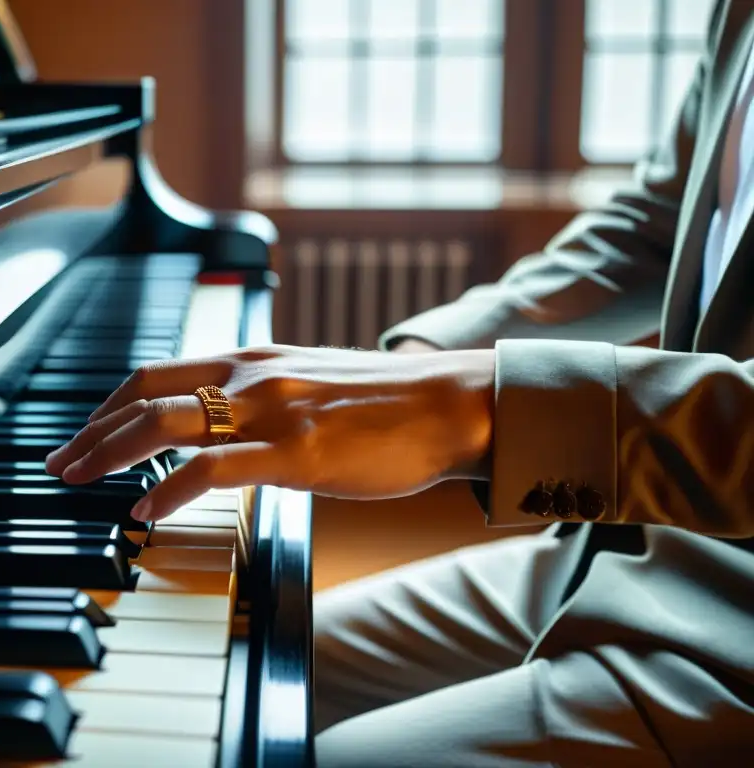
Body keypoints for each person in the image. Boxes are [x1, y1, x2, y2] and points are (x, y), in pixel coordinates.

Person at [44, 2, 754, 765]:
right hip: (616, 551)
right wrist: (413, 362)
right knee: (248, 652)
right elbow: (655, 221)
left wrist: (479, 408)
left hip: (736, 625)